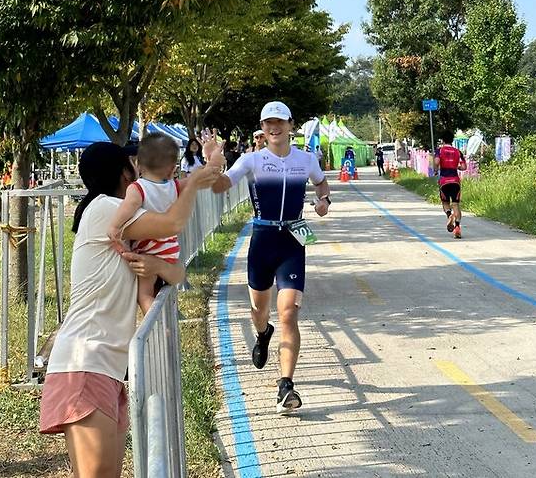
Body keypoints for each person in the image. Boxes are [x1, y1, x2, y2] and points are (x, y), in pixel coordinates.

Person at [39, 141, 220, 478]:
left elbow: (177, 271)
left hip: (109, 366)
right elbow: (172, 224)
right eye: (134, 163)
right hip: (85, 361)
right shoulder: (106, 209)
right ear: (125, 172)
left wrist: (154, 263)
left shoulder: (125, 228)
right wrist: (193, 183)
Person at [209, 101, 330, 413]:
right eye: (268, 123)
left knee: (288, 312)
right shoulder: (251, 161)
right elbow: (223, 185)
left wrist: (323, 201)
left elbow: (321, 182)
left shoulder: (306, 159)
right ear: (262, 128)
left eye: (279, 122)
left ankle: (286, 386)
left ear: (291, 124)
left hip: (292, 239)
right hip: (262, 240)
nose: (274, 128)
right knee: (258, 311)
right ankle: (263, 334)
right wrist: (212, 165)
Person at [108, 133, 183, 314]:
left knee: (145, 295)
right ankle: (170, 318)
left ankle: (158, 326)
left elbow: (129, 205)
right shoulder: (172, 186)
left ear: (139, 166)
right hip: (170, 248)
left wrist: (115, 226)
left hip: (150, 248)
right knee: (160, 291)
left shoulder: (138, 187)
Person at [434, 130, 467, 239]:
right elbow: (464, 167)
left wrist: (435, 170)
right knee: (456, 204)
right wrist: (456, 167)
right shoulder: (458, 152)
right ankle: (457, 227)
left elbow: (437, 162)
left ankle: (449, 215)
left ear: (443, 140)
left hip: (444, 181)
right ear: (452, 140)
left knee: (445, 202)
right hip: (455, 181)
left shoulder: (440, 150)